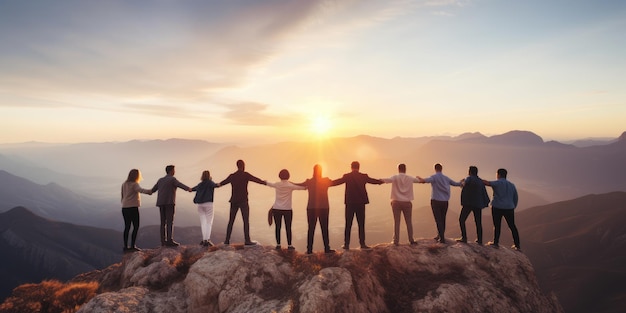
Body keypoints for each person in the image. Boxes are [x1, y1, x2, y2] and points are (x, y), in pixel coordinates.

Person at [333, 161, 383, 250]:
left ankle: (346, 244)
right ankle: (362, 244)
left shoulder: (347, 176)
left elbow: (337, 182)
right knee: (361, 224)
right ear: (359, 167)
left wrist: (325, 183)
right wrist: (381, 181)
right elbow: (372, 181)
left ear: (351, 167)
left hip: (350, 203)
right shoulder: (364, 176)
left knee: (348, 224)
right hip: (361, 203)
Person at [219, 159, 267, 246]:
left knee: (231, 221)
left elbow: (221, 183)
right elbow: (256, 179)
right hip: (243, 201)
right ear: (243, 166)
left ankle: (227, 240)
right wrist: (264, 182)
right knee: (245, 221)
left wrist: (209, 184)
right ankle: (247, 240)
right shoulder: (245, 175)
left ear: (237, 166)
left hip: (234, 201)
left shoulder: (232, 176)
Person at [296, 164, 341, 254]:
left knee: (311, 229)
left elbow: (298, 185)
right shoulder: (326, 181)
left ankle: (309, 250)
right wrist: (347, 178)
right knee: (324, 228)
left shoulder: (309, 181)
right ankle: (327, 249)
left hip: (311, 208)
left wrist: (286, 183)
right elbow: (337, 182)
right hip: (324, 207)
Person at [418, 163, 462, 244]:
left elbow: (425, 180)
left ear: (435, 169)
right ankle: (440, 235)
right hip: (445, 201)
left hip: (436, 201)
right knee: (443, 219)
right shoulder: (446, 178)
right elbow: (456, 184)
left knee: (438, 220)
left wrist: (420, 179)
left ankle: (441, 238)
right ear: (441, 169)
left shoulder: (434, 177)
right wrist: (462, 182)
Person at [151, 165, 191, 247]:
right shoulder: (172, 179)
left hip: (161, 203)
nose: (174, 172)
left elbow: (153, 190)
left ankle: (163, 241)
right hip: (169, 202)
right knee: (170, 222)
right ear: (171, 171)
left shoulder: (160, 180)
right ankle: (169, 240)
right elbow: (180, 185)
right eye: (174, 170)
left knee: (163, 223)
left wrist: (147, 191)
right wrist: (189, 189)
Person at [266, 169, 306, 250]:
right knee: (288, 227)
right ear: (288, 176)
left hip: (277, 208)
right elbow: (302, 188)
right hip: (287, 209)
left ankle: (278, 245)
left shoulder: (277, 184)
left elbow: (267, 183)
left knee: (278, 227)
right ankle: (290, 245)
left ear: (279, 176)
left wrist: (264, 181)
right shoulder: (290, 185)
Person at [381, 163, 420, 246]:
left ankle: (396, 241)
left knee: (397, 222)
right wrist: (419, 177)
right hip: (407, 203)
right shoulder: (410, 178)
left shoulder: (395, 177)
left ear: (398, 169)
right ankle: (411, 240)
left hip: (396, 202)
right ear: (405, 169)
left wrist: (378, 180)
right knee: (409, 222)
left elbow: (387, 180)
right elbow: (419, 181)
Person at [484, 168, 520, 250]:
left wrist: (475, 178)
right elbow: (515, 198)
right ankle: (517, 245)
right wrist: (513, 206)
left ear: (498, 175)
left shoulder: (497, 182)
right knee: (512, 226)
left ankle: (495, 242)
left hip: (497, 207)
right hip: (509, 208)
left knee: (497, 225)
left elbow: (487, 183)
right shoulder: (512, 185)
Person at [455, 166, 490, 245]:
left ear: (470, 172)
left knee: (462, 219)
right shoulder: (480, 181)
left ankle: (464, 237)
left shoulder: (469, 178)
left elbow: (463, 184)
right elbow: (484, 192)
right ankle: (480, 240)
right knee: (478, 222)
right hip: (478, 204)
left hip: (468, 203)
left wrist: (461, 182)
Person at [121, 169, 153, 252]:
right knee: (136, 226)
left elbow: (122, 195)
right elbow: (141, 190)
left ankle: (125, 246)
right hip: (133, 208)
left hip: (124, 208)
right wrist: (150, 191)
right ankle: (132, 246)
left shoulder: (124, 184)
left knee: (127, 226)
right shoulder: (134, 184)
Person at [191, 170, 220, 247]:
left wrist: (189, 189)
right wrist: (220, 183)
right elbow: (216, 185)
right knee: (209, 222)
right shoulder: (210, 183)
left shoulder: (200, 184)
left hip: (200, 205)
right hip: (208, 204)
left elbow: (193, 189)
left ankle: (204, 239)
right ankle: (207, 240)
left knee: (203, 222)